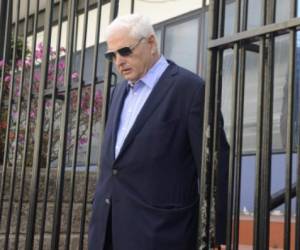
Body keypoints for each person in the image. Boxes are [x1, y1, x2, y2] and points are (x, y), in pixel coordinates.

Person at [89, 13, 229, 250]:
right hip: (107, 230)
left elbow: (215, 164)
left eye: (125, 51)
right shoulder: (118, 93)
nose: (118, 61)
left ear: (151, 43)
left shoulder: (191, 89)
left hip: (160, 233)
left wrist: (216, 235)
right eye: (111, 55)